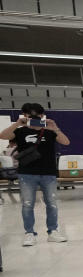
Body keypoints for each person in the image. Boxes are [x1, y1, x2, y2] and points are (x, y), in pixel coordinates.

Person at [0, 103, 70, 246]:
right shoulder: (20, 132)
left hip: (48, 173)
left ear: (42, 116)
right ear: (24, 116)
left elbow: (66, 142)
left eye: (37, 115)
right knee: (27, 204)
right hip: (27, 173)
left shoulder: (50, 131)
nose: (33, 118)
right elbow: (2, 135)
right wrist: (17, 124)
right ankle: (29, 233)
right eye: (29, 115)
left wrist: (55, 128)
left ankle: (53, 231)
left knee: (51, 203)